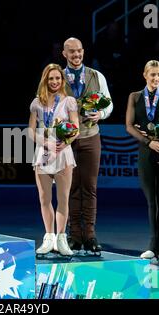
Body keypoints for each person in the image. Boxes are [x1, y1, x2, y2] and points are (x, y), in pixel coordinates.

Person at [62, 37, 113, 253]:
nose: (76, 55)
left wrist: (100, 113)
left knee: (90, 187)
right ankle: (74, 235)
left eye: (79, 51)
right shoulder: (57, 77)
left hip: (91, 136)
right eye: (72, 52)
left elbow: (108, 103)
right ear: (64, 54)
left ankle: (90, 235)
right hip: (66, 140)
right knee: (71, 188)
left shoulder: (96, 76)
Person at [126, 60, 159, 262]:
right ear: (145, 75)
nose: (156, 78)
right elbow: (129, 126)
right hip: (146, 152)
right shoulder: (135, 97)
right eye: (153, 75)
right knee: (151, 201)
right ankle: (151, 245)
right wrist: (149, 142)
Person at [28, 64, 79, 256]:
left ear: (62, 80)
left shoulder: (69, 102)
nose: (55, 82)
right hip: (43, 152)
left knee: (63, 199)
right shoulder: (37, 103)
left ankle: (61, 238)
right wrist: (45, 142)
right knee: (44, 198)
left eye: (58, 78)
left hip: (63, 152)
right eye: (51, 79)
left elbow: (76, 128)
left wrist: (65, 142)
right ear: (45, 80)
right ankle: (48, 237)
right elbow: (31, 130)